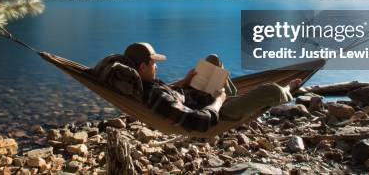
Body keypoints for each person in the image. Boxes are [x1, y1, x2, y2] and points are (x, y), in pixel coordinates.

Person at [123, 42, 302, 132]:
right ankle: (288, 90)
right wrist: (218, 101)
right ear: (142, 67)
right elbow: (199, 120)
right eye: (154, 63)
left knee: (213, 59)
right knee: (271, 90)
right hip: (217, 111)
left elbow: (165, 93)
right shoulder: (155, 96)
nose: (157, 66)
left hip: (195, 95)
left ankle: (232, 95)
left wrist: (183, 82)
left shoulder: (140, 84)